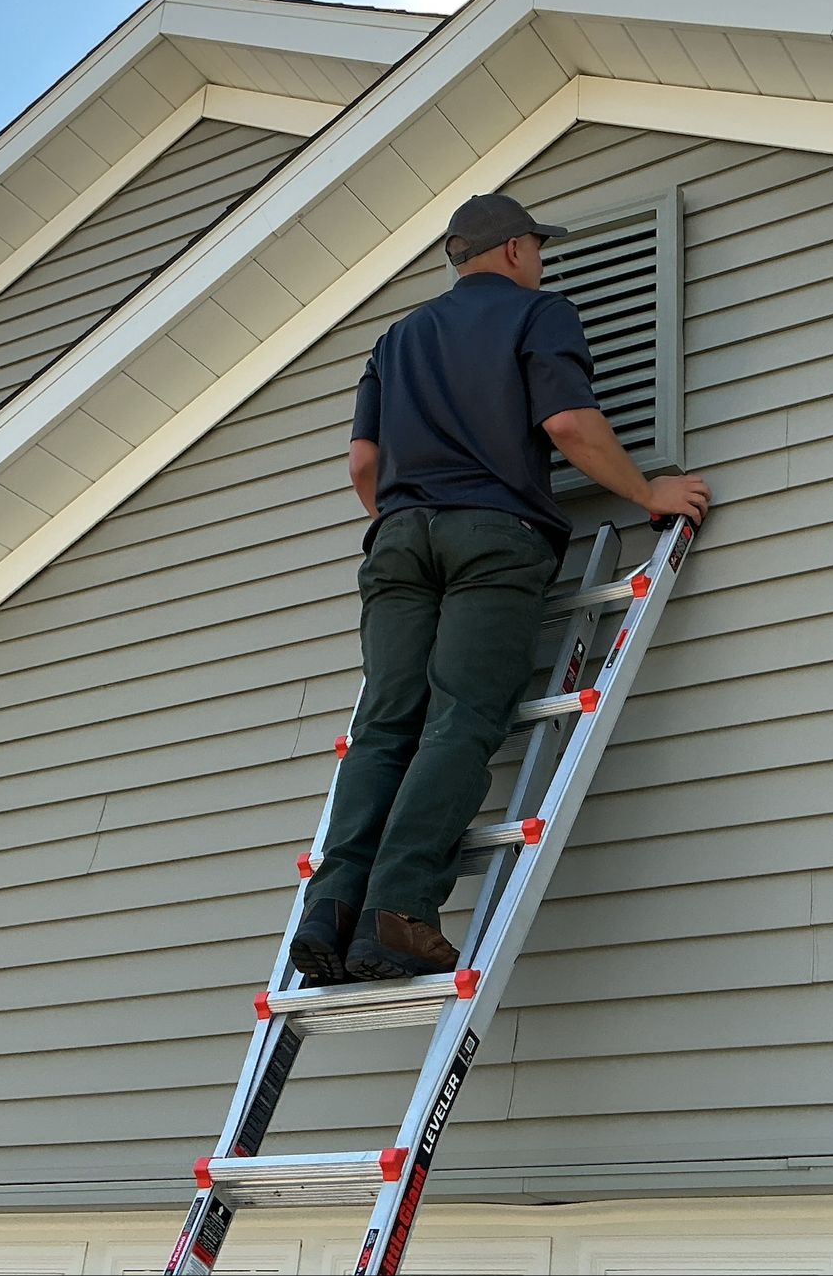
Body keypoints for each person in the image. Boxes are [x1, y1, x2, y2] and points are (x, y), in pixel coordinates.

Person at [291, 191, 712, 983]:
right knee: (460, 717)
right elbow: (566, 425)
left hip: (398, 538)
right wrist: (648, 493)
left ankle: (332, 909)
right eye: (538, 246)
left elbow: (362, 465)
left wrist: (410, 521)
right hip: (492, 534)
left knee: (386, 726)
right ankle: (398, 912)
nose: (542, 259)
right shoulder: (538, 313)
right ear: (515, 249)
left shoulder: (398, 337)